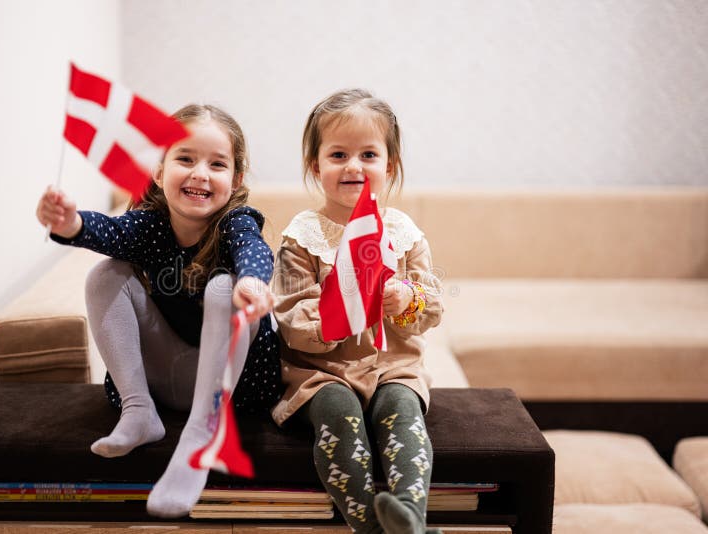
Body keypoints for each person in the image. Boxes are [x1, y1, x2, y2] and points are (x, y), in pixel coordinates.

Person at [36, 104, 282, 518]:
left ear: (235, 179)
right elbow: (109, 231)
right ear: (159, 170)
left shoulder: (235, 222)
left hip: (232, 388)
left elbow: (253, 248)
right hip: (163, 381)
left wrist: (252, 281)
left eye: (216, 164)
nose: (200, 173)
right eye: (185, 158)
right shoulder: (149, 226)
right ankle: (138, 412)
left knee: (226, 287)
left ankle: (202, 434)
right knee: (104, 273)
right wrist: (71, 224)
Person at [271, 89, 443, 534]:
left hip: (391, 365)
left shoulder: (403, 232)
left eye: (368, 154)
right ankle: (368, 522)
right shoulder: (301, 237)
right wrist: (335, 313)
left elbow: (431, 301)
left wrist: (406, 297)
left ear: (389, 166)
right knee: (335, 409)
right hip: (322, 369)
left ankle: (409, 516)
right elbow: (290, 314)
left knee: (403, 409)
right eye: (338, 154)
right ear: (316, 166)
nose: (353, 166)